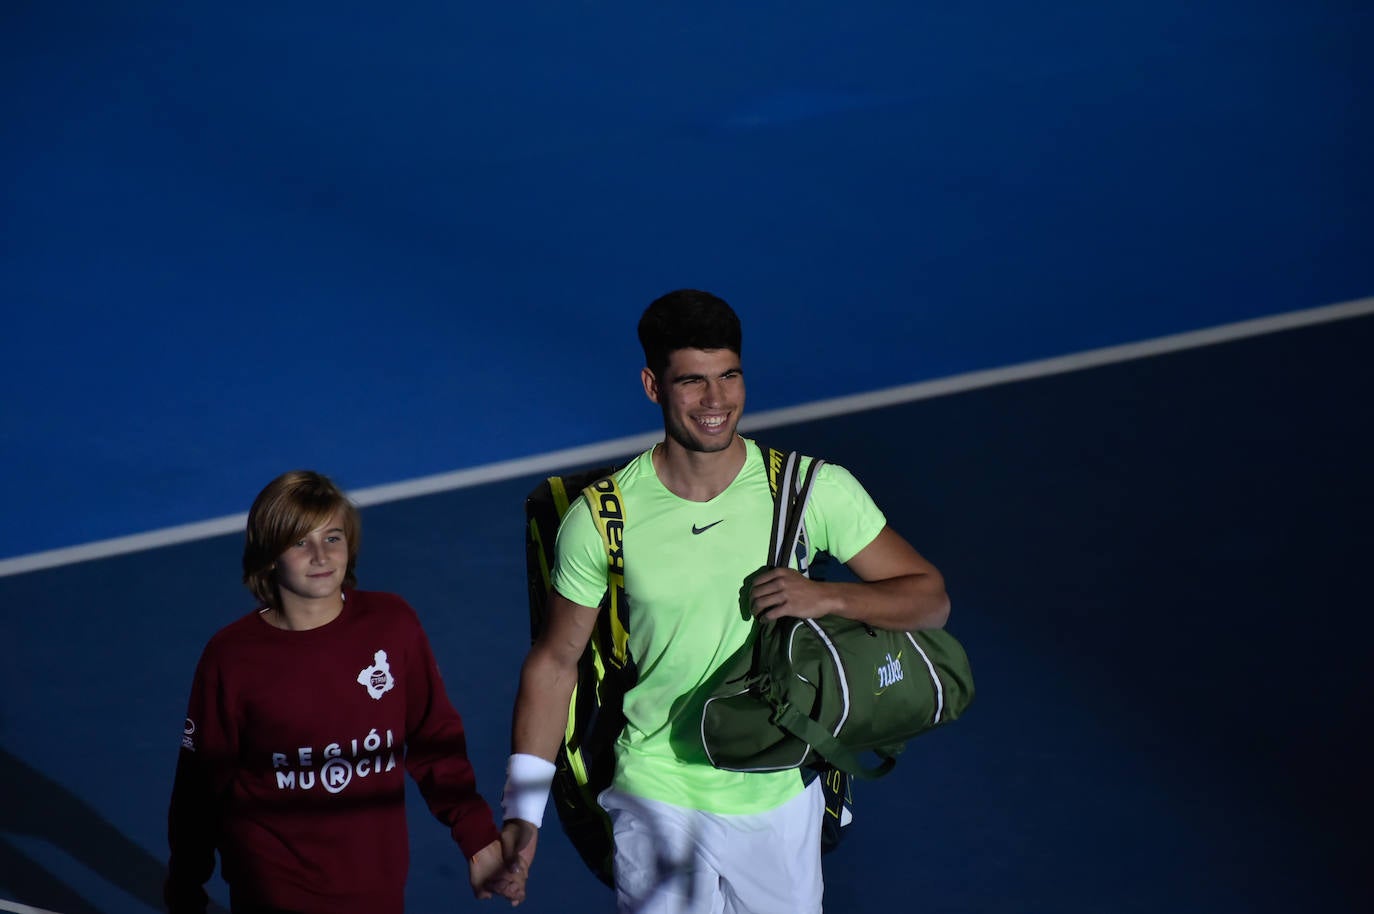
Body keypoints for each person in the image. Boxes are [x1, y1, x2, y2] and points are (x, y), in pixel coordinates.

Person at [498, 289, 951, 913]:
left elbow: (929, 599)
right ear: (653, 386)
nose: (716, 402)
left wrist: (826, 596)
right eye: (693, 382)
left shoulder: (811, 491)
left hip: (779, 795)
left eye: (729, 376)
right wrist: (523, 812)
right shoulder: (604, 518)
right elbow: (554, 664)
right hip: (656, 790)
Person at [163, 470, 524, 913]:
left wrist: (478, 839)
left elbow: (435, 742)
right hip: (272, 888)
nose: (320, 555)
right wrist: (185, 884)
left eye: (332, 537)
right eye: (300, 541)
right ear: (269, 554)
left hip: (377, 888)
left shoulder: (392, 625)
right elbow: (200, 785)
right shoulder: (231, 657)